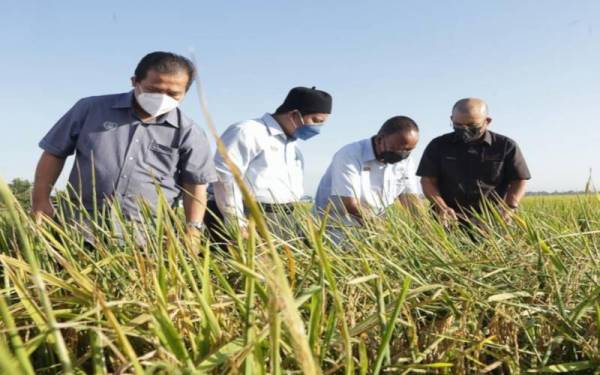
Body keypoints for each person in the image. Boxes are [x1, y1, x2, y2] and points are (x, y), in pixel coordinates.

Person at [31, 51, 217, 238]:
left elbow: (195, 184)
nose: (162, 98)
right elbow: (54, 153)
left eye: (173, 94)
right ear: (135, 81)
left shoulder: (190, 132)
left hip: (147, 236)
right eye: (154, 90)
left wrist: (193, 229)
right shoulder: (90, 109)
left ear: (184, 93)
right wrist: (40, 201)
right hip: (80, 226)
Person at [206, 86, 332, 240]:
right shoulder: (247, 132)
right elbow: (225, 177)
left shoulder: (292, 144)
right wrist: (236, 223)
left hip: (282, 220)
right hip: (248, 217)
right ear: (294, 114)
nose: (317, 128)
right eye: (315, 121)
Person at [417, 98, 531, 224]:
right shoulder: (437, 145)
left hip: (494, 218)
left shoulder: (505, 146)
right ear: (452, 119)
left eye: (472, 126)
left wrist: (508, 208)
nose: (464, 130)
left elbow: (519, 180)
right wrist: (442, 207)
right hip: (448, 218)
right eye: (458, 125)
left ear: (487, 121)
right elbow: (427, 181)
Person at [314, 116, 421, 243]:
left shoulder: (405, 161)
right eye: (397, 148)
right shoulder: (350, 154)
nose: (402, 154)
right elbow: (348, 203)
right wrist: (382, 228)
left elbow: (410, 199)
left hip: (375, 225)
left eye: (408, 150)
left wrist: (426, 231)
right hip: (338, 225)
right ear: (380, 139)